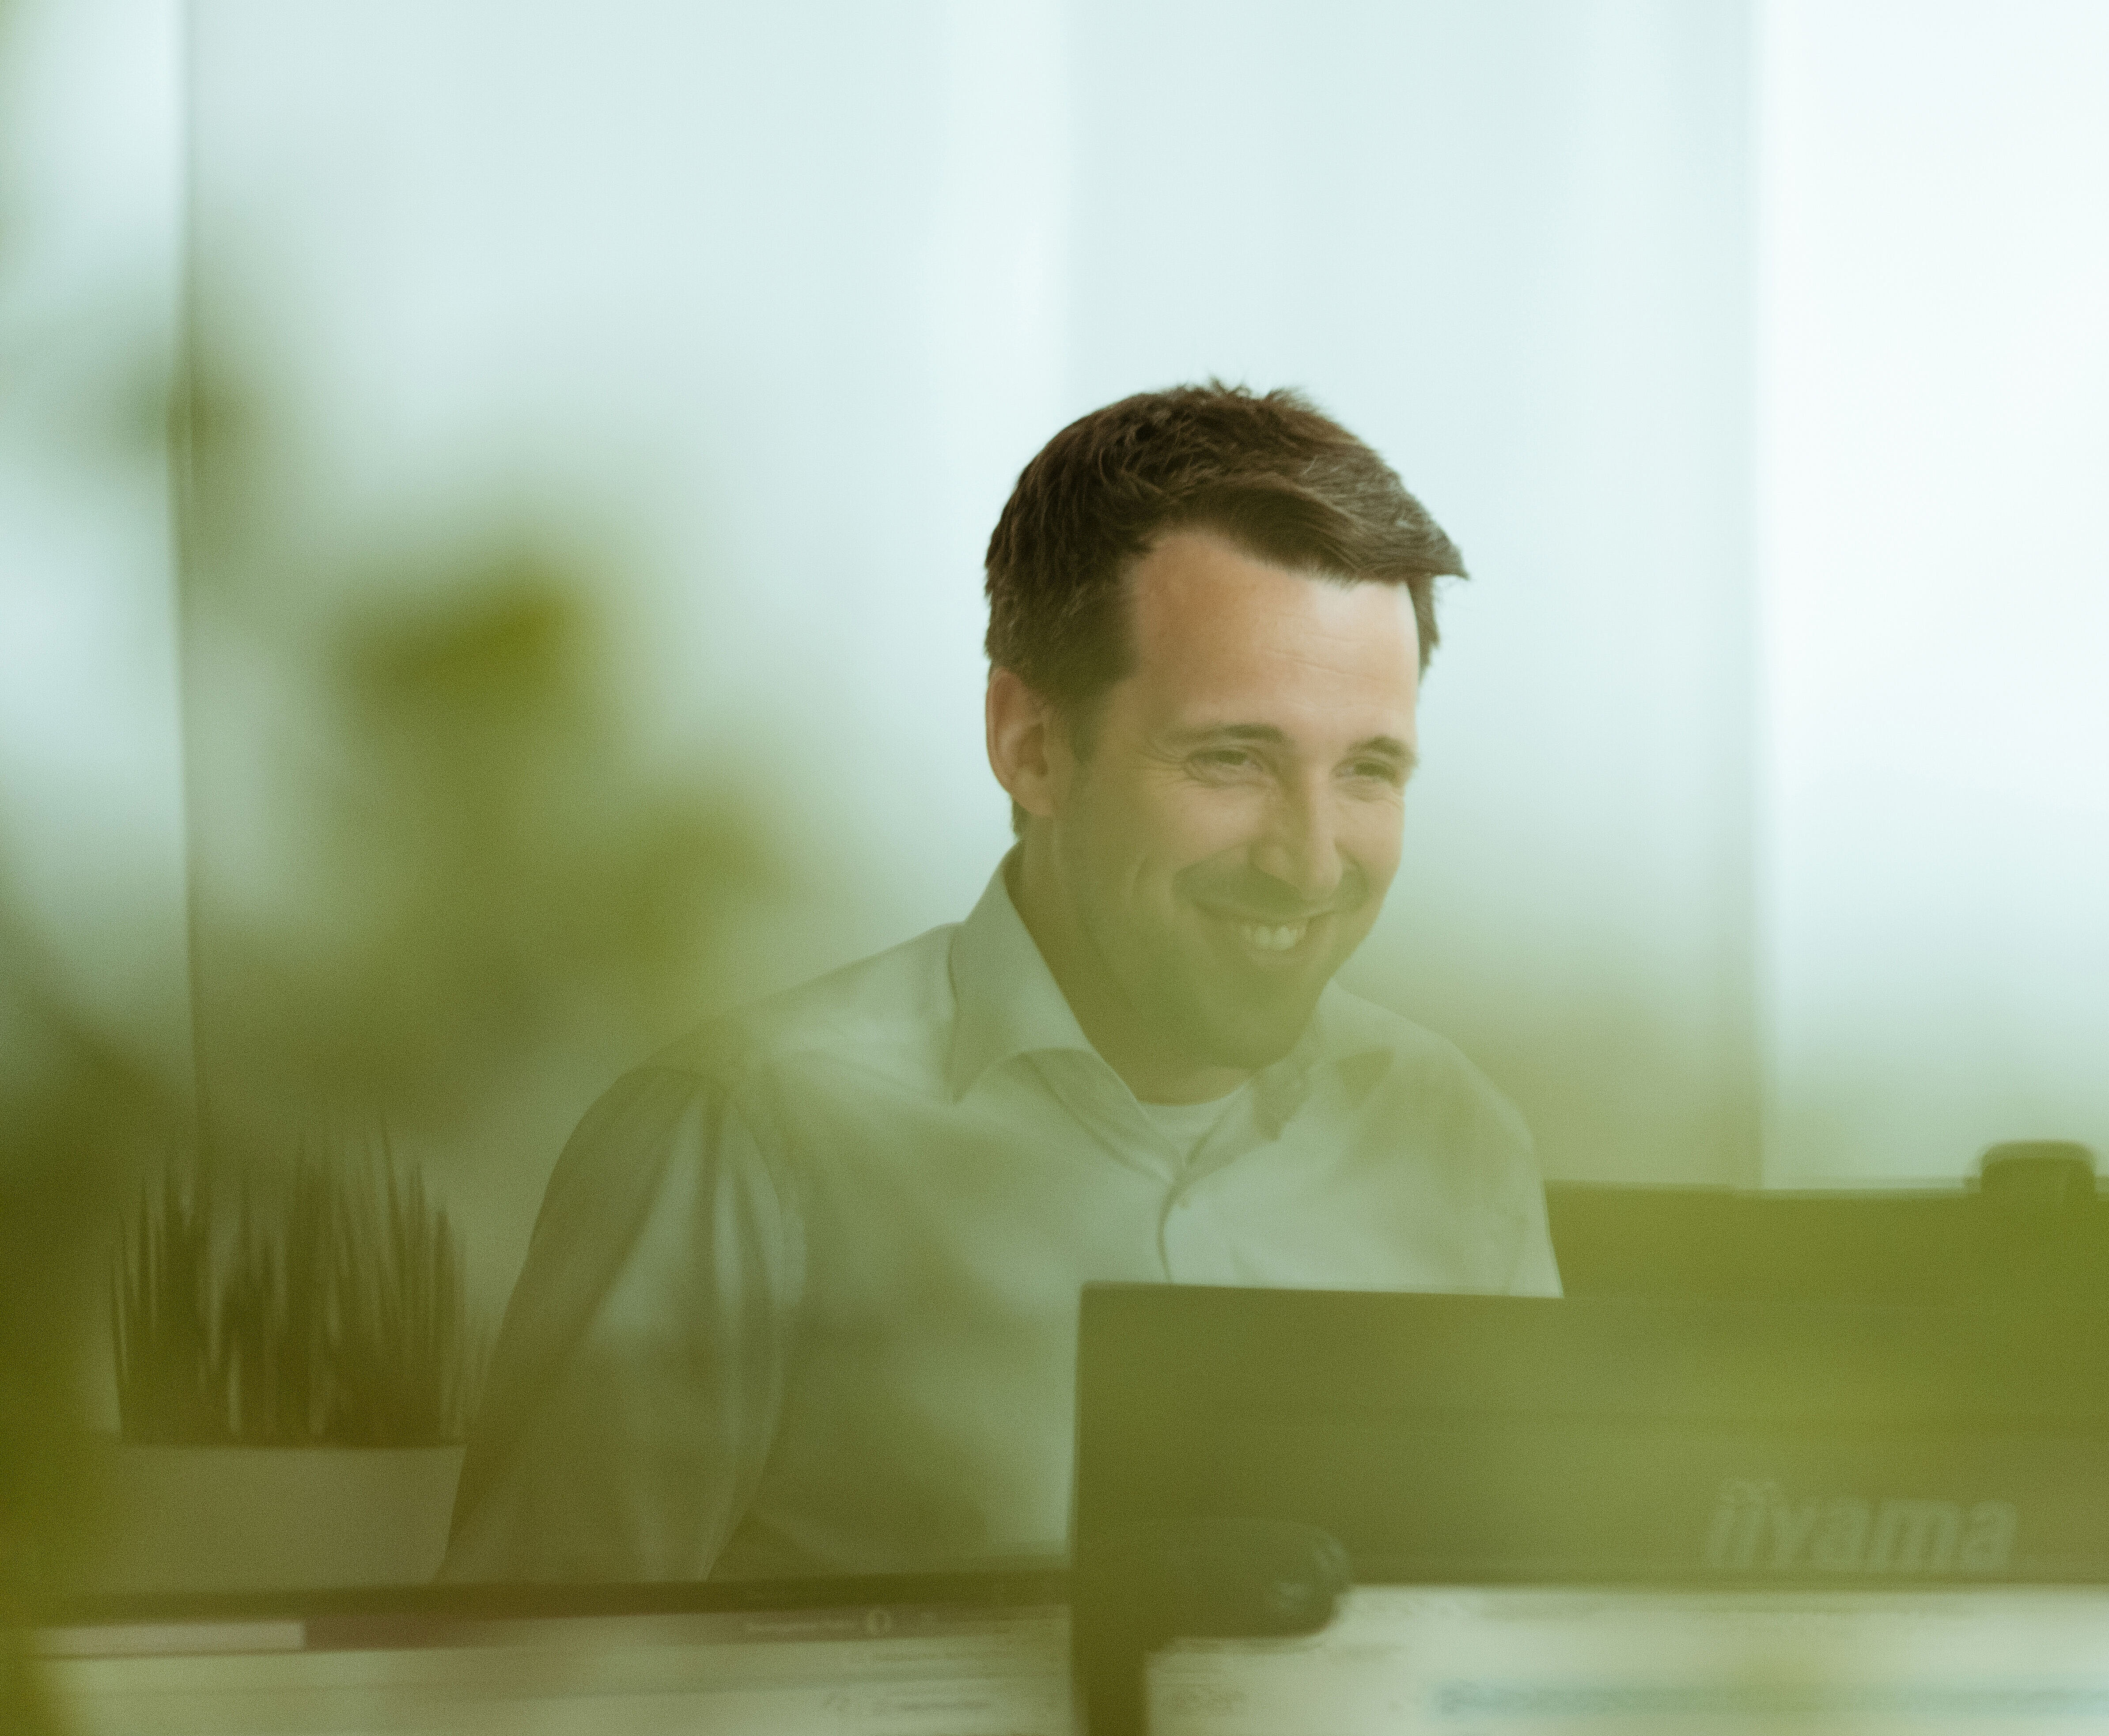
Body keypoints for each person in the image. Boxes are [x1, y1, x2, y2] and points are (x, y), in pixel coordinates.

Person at [447, 384, 1556, 1581]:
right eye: (1232, 758)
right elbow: (524, 1721)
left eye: (1370, 771)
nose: (1311, 859)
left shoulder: (1455, 1146)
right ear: (1029, 745)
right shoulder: (741, 1141)